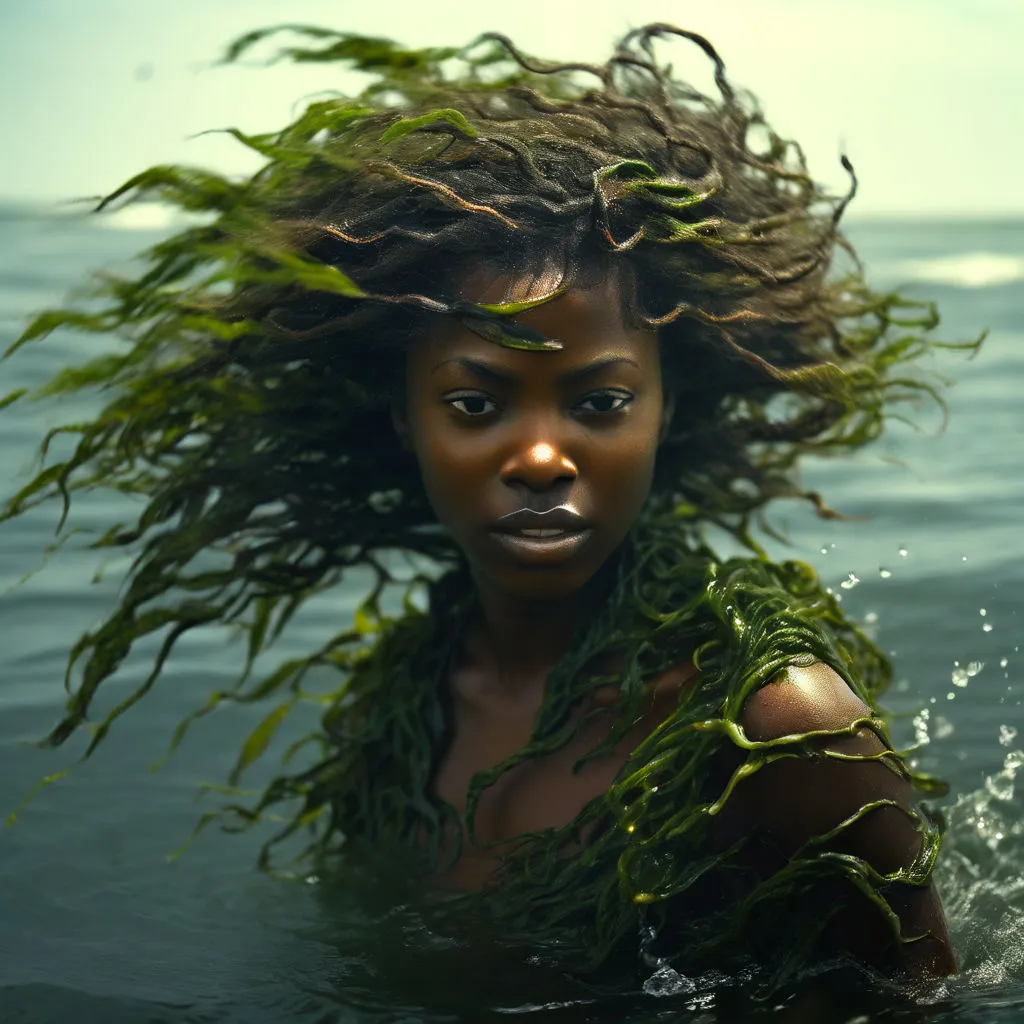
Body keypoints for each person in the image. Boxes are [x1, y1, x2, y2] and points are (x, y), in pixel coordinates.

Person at [2, 22, 959, 991]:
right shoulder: (400, 704)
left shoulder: (774, 722)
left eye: (599, 403)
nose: (541, 456)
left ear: (669, 412)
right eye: (474, 403)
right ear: (405, 419)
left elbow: (922, 1000)